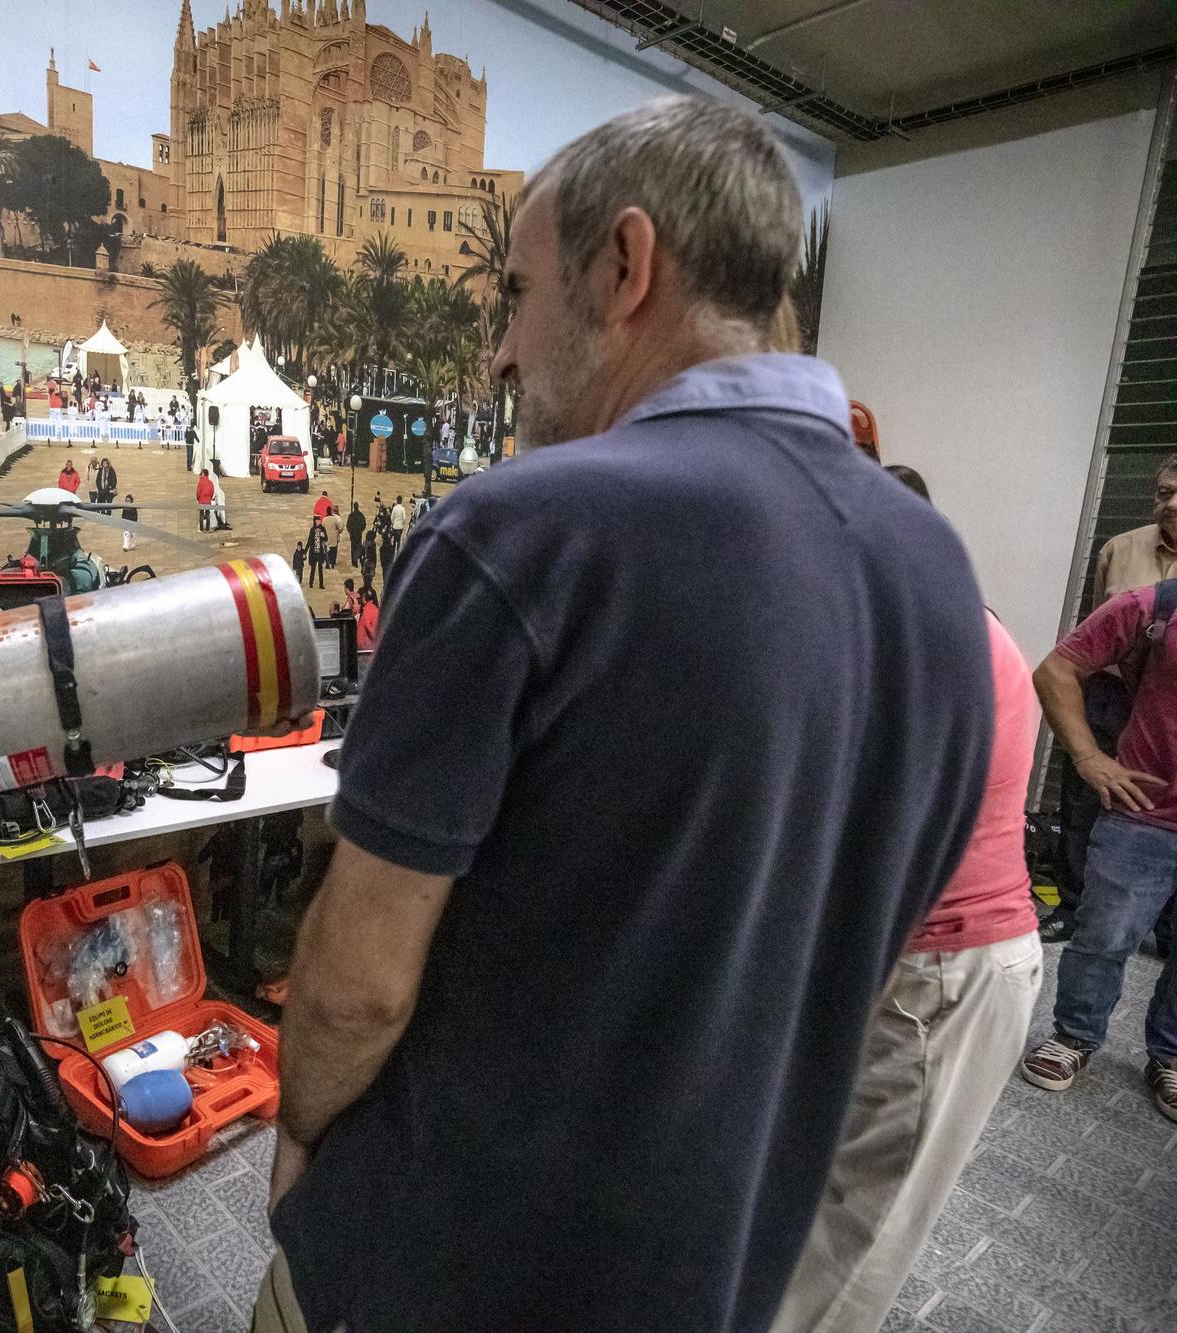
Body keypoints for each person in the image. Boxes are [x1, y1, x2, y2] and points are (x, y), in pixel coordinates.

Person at [255, 98, 993, 1333]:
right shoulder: (938, 575)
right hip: (710, 1276)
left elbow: (353, 989)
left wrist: (305, 1151)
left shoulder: (517, 531)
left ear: (624, 264)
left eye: (514, 292)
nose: (498, 351)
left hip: (435, 1267)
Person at [772, 466, 1043, 1331]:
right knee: (810, 1199)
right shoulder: (949, 625)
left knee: (851, 1249)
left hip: (945, 974)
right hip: (912, 960)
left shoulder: (929, 646)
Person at [1020, 574, 1177, 1123]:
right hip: (1146, 812)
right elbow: (1057, 669)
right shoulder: (1156, 606)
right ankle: (1075, 1035)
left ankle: (1172, 1056)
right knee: (1105, 935)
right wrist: (1089, 758)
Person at [1046, 453, 1177, 944]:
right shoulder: (1120, 548)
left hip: (1166, 702)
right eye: (1164, 492)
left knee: (1153, 807)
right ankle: (1076, 907)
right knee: (1085, 800)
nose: (1172, 503)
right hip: (1111, 692)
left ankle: (1159, 926)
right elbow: (1089, 635)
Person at [354, 584, 378, 652]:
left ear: (364, 598)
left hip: (366, 649)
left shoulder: (369, 609)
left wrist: (377, 640)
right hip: (365, 648)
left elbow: (368, 626)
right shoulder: (372, 609)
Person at [306, 520, 328, 590]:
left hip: (320, 552)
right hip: (314, 552)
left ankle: (321, 584)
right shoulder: (312, 529)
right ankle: (311, 583)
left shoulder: (323, 529)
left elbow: (326, 538)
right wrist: (305, 550)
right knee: (313, 568)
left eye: (319, 521)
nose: (318, 522)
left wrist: (323, 536)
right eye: (317, 521)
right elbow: (309, 540)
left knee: (320, 569)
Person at [345, 501, 366, 568]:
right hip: (358, 534)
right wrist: (360, 530)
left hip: (353, 535)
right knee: (357, 548)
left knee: (353, 548)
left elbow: (348, 525)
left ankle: (353, 562)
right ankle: (356, 560)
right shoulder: (361, 515)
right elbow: (364, 524)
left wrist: (351, 531)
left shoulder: (351, 515)